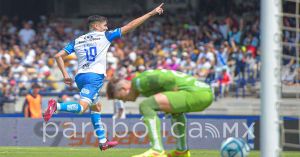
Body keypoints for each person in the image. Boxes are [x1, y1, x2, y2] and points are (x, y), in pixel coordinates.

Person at [43, 3, 164, 151]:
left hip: (81, 77)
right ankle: (57, 106)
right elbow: (131, 25)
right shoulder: (105, 36)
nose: (107, 28)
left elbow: (58, 56)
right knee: (82, 108)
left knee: (96, 106)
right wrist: (151, 14)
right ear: (95, 26)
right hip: (94, 77)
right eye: (104, 25)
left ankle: (103, 141)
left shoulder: (77, 40)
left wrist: (65, 75)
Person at [106, 69, 213, 157]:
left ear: (123, 89)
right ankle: (181, 151)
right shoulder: (141, 81)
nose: (124, 101)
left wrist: (172, 92)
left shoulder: (138, 82)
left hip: (196, 93)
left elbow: (168, 79)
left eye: (121, 98)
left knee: (146, 105)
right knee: (176, 112)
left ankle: (157, 150)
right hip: (204, 92)